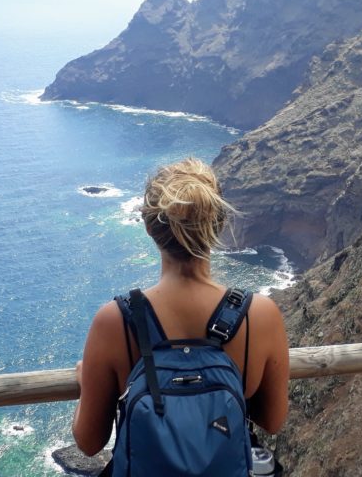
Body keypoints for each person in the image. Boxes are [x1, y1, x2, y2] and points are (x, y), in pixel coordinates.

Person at [73, 157, 290, 464]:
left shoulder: (115, 320)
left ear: (148, 227)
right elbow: (272, 419)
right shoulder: (260, 315)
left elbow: (89, 442)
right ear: (219, 223)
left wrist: (86, 384)